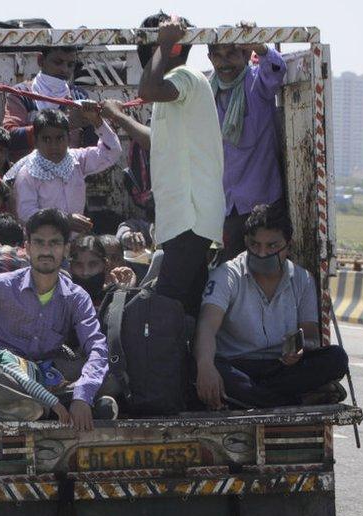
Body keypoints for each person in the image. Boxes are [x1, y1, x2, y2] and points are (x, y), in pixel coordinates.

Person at [0, 208, 109, 431]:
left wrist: (83, 395)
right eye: (39, 243)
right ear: (27, 248)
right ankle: (48, 406)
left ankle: (33, 407)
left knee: (105, 375)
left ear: (65, 250)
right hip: (4, 376)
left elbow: (96, 346)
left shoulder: (76, 297)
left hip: (46, 375)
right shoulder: (1, 286)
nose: (46, 251)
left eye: (54, 243)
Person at [193, 203, 348, 409]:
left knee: (336, 358)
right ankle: (297, 400)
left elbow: (311, 335)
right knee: (209, 372)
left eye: (272, 246)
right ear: (246, 242)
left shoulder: (302, 279)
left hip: (281, 367)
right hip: (237, 364)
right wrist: (205, 367)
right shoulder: (227, 275)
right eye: (255, 245)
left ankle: (258, 399)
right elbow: (206, 327)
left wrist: (299, 350)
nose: (263, 253)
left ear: (288, 245)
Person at [137, 12, 225, 318]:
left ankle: (171, 365)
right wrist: (114, 117)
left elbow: (145, 90)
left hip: (190, 217)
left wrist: (164, 44)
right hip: (181, 219)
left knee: (166, 306)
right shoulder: (172, 93)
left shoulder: (184, 78)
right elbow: (156, 141)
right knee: (186, 307)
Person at [207, 24, 288, 260]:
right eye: (218, 56)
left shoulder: (257, 84)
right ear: (210, 58)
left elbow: (276, 69)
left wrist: (260, 46)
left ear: (244, 53)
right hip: (226, 209)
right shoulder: (206, 93)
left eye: (231, 53)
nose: (224, 63)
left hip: (263, 208)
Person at [6, 107, 122, 234]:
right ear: (36, 141)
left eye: (60, 138)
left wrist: (97, 121)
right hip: (43, 242)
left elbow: (112, 152)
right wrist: (63, 220)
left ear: (69, 139)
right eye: (46, 139)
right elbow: (26, 215)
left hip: (74, 241)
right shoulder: (28, 172)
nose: (54, 146)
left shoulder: (76, 159)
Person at [2, 46, 99, 161]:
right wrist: (65, 125)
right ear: (41, 60)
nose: (65, 70)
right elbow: (9, 137)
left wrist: (97, 119)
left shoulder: (79, 96)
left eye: (70, 65)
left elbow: (92, 147)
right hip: (30, 173)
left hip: (69, 173)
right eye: (58, 62)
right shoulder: (21, 94)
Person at [69, 235, 136, 307]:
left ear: (105, 264)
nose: (85, 272)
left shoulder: (112, 295)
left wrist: (125, 293)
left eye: (93, 264)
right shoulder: (62, 293)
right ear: (70, 266)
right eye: (78, 264)